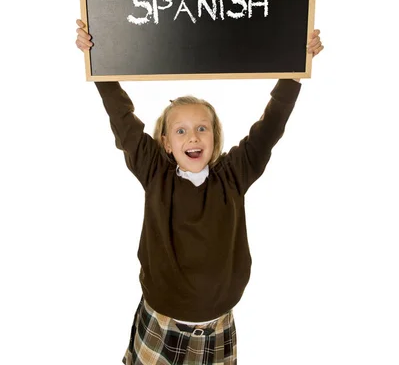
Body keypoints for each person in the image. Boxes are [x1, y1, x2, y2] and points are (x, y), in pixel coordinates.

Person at [76, 19, 324, 365]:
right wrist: (99, 61)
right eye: (181, 131)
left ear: (214, 137)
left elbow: (269, 129)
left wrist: (295, 71)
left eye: (201, 128)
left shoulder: (234, 174)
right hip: (161, 323)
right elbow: (123, 120)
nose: (192, 137)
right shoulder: (155, 171)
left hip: (219, 326)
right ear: (165, 142)